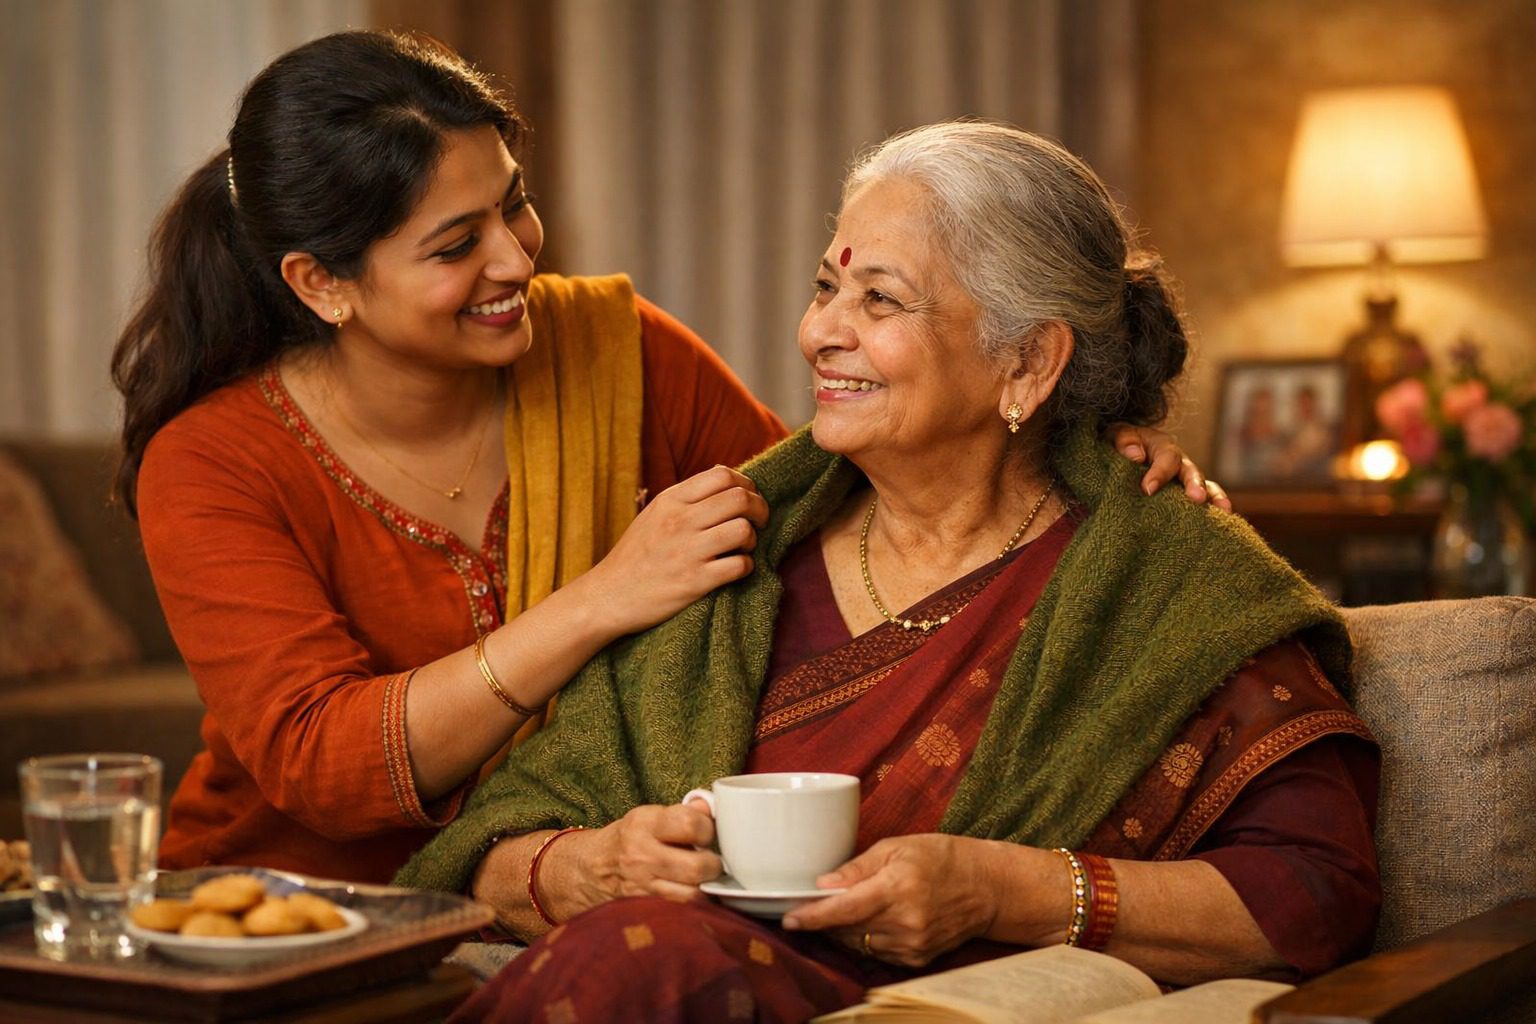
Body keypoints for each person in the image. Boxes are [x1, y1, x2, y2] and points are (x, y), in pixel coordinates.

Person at [110, 33, 1208, 884]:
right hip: (295, 922)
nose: (515, 259)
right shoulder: (214, 460)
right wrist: (604, 597)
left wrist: (1075, 438)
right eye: (455, 246)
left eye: (516, 205)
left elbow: (823, 505)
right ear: (321, 283)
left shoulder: (616, 351)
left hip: (592, 875)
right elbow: (325, 764)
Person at [396, 122, 1379, 1023]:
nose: (822, 331)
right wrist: (578, 868)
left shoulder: (1164, 579)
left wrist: (1002, 889)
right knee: (631, 952)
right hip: (663, 981)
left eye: (880, 300)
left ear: (1028, 364)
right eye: (827, 286)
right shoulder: (728, 554)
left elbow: (1314, 890)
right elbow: (484, 853)